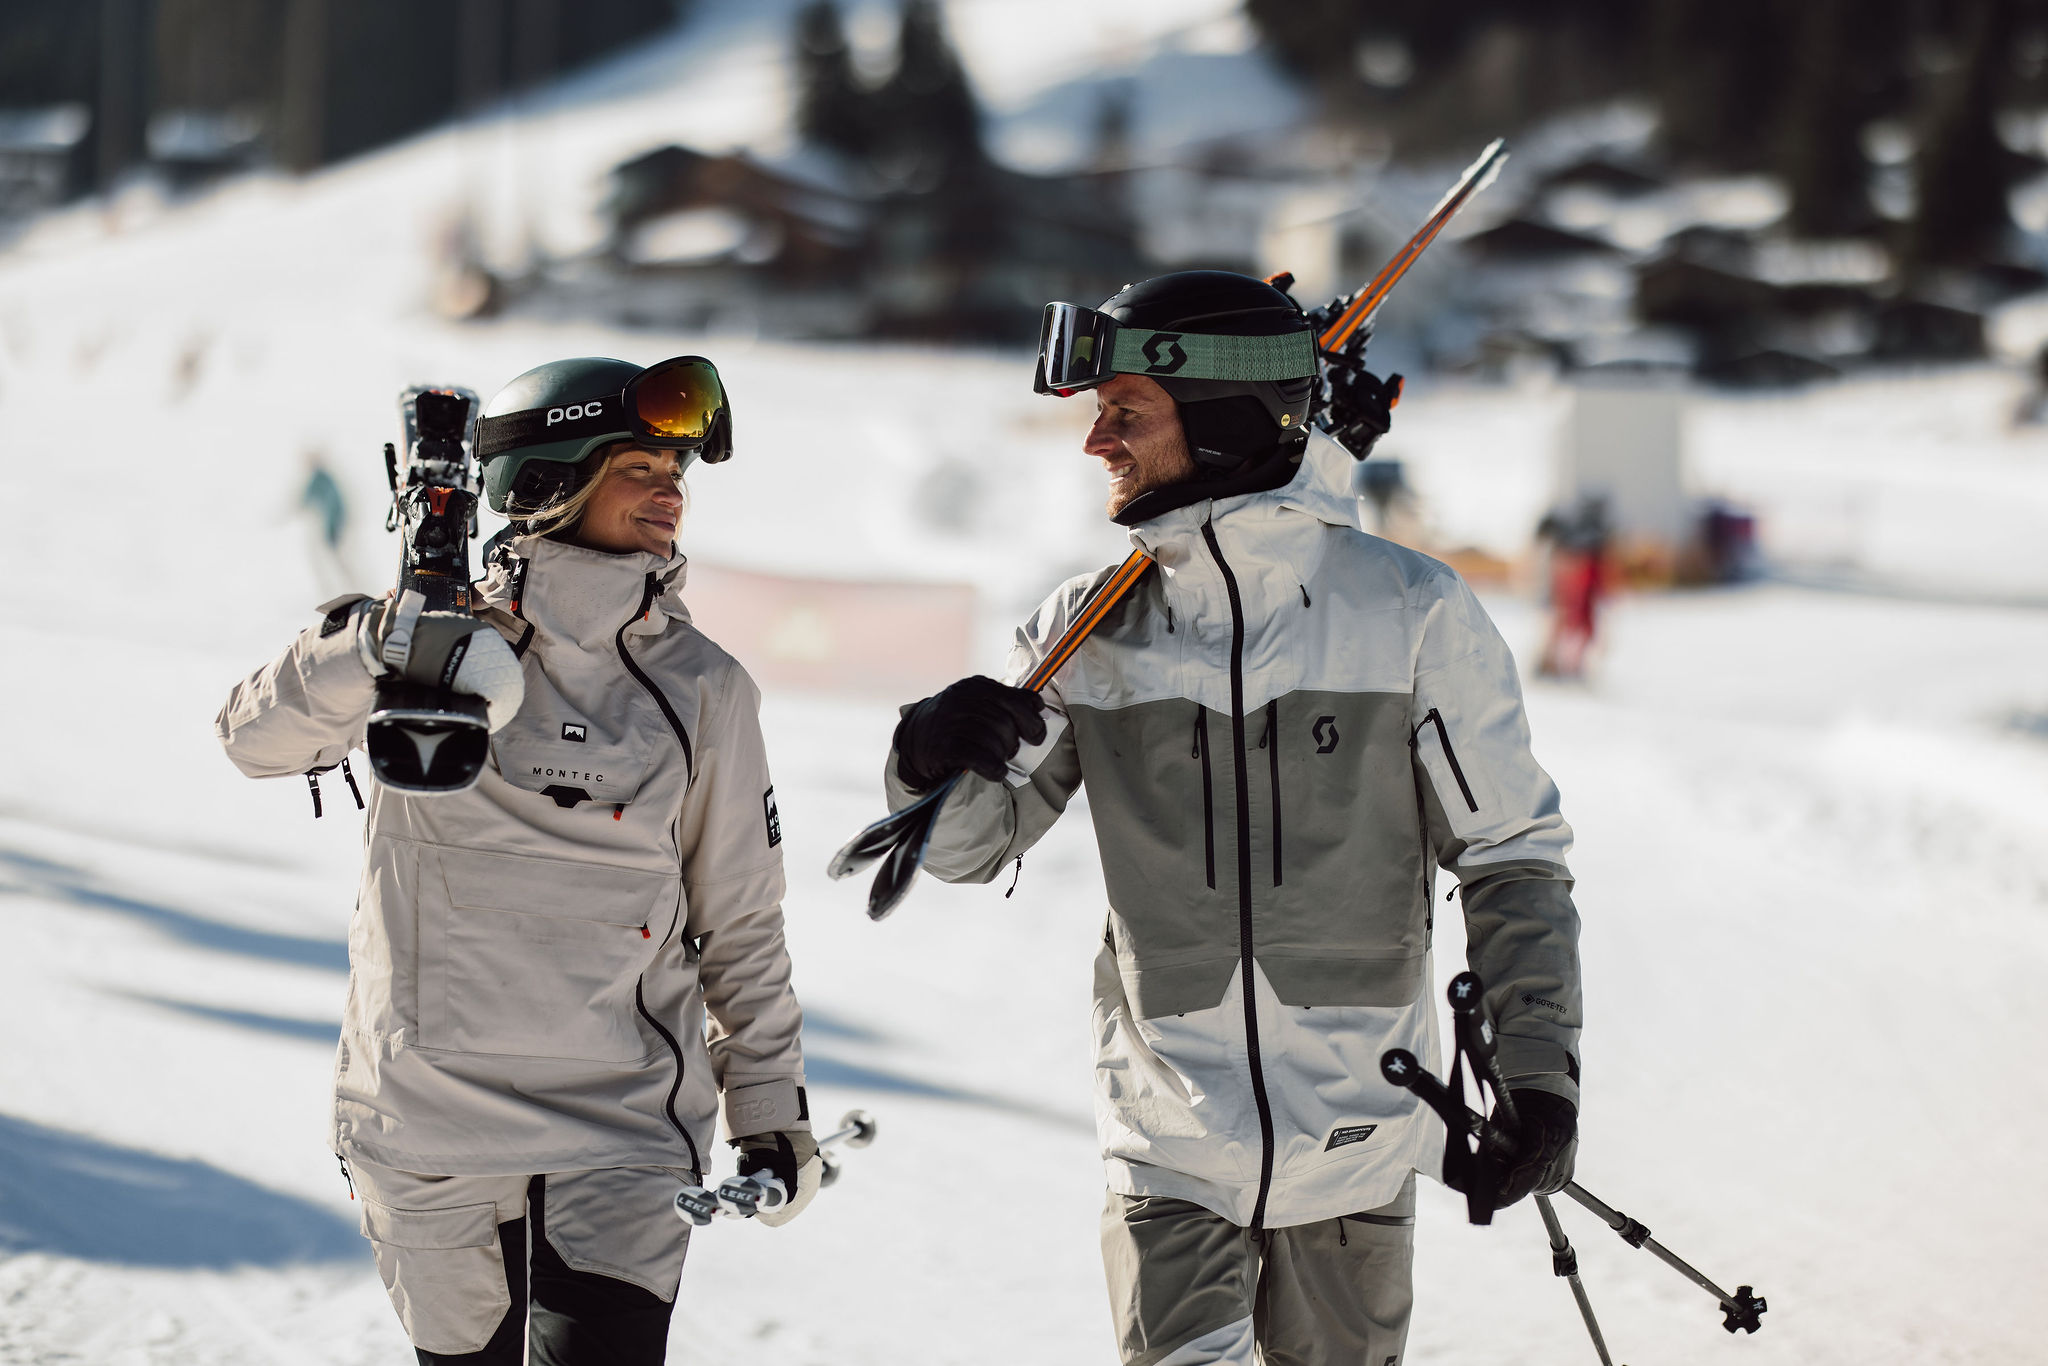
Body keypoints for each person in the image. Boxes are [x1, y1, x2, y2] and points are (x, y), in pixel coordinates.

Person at [882, 272, 1583, 1364]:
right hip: (1164, 1149)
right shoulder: (1087, 628)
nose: (1093, 442)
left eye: (1124, 411)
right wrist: (925, 753)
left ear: (1214, 421)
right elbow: (972, 851)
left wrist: (1537, 1078)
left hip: (1355, 1147)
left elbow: (1509, 855)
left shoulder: (1405, 610)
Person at [216, 356, 813, 1365]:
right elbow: (252, 740)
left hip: (621, 1125)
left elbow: (741, 916)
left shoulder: (703, 683)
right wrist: (375, 642)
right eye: (639, 465)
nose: (671, 490)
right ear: (548, 479)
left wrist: (769, 1108)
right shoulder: (416, 646)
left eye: (678, 469)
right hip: (426, 1128)